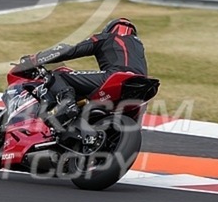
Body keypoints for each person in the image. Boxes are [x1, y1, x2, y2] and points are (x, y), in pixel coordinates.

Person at [15, 18, 148, 131]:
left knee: (59, 75)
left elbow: (69, 50)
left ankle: (67, 104)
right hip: (144, 86)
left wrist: (34, 59)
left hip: (115, 77)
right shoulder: (139, 47)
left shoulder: (107, 37)